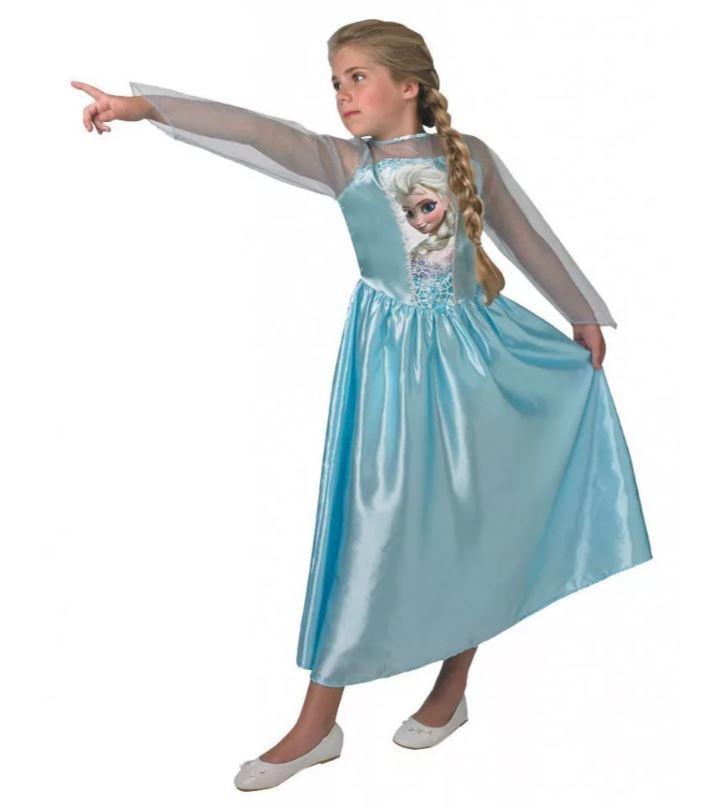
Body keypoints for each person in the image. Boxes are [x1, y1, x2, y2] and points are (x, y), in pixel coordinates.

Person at [72, 17, 652, 792]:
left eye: (357, 78)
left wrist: (581, 313)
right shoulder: (350, 164)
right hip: (393, 368)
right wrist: (147, 108)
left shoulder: (469, 156)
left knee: (478, 515)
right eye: (336, 82)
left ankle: (452, 686)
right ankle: (320, 721)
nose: (343, 95)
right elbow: (258, 131)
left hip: (481, 355)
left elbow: (526, 239)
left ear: (408, 85)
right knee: (372, 525)